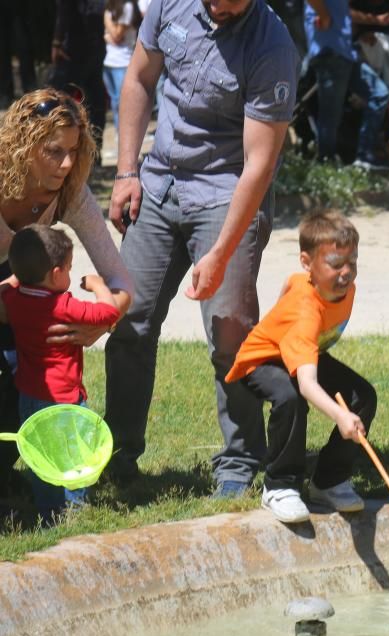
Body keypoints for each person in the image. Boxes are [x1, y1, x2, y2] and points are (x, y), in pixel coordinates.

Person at [104, 0, 299, 496]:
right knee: (129, 321)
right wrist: (127, 170)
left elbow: (258, 165)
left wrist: (220, 252)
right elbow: (139, 80)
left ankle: (239, 463)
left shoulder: (271, 47)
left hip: (226, 194)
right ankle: (118, 455)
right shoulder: (172, 3)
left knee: (230, 336)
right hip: (159, 182)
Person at [0, 88, 134, 498]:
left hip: (13, 304)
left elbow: (121, 282)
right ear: (24, 145)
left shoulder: (70, 192)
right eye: (54, 151)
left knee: (25, 379)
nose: (67, 163)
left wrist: (99, 326)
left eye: (74, 151)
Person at [225, 210, 373, 523]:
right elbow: (307, 385)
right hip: (261, 360)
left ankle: (329, 481)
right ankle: (279, 485)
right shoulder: (307, 313)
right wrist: (340, 415)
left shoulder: (338, 287)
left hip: (302, 351)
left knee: (363, 396)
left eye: (353, 262)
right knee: (290, 398)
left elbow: (290, 282)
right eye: (336, 264)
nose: (346, 272)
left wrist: (280, 312)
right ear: (308, 262)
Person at [0, 225, 120, 522]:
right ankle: (74, 510)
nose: (69, 275)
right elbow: (109, 313)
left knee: (41, 454)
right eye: (67, 269)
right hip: (64, 399)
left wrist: (17, 275)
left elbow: (4, 288)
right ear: (55, 273)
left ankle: (48, 511)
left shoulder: (13, 301)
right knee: (72, 455)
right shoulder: (63, 305)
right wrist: (97, 286)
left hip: (29, 396)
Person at [305, 0, 389, 168]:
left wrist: (376, 20)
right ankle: (325, 163)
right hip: (329, 51)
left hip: (346, 52)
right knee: (331, 114)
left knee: (380, 94)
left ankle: (364, 156)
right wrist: (323, 15)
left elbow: (345, 11)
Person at [50, 0, 107, 149]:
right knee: (95, 99)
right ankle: (93, 150)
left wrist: (57, 41)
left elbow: (64, 10)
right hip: (95, 43)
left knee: (62, 100)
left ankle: (67, 147)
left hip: (75, 46)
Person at [103, 0, 141, 131]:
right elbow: (109, 36)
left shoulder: (127, 6)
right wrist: (109, 34)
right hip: (109, 63)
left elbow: (116, 35)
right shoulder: (111, 7)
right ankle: (120, 136)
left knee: (124, 105)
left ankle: (126, 137)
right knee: (115, 104)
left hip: (123, 63)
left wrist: (106, 19)